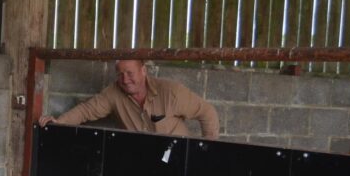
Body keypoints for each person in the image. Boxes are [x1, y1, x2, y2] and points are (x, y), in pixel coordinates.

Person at [39, 59, 220, 140]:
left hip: (175, 157)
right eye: (120, 74)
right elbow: (86, 110)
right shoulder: (113, 93)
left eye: (130, 73)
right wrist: (59, 121)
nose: (125, 79)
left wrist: (206, 152)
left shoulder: (171, 92)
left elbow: (207, 112)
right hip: (141, 157)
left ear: (143, 70)